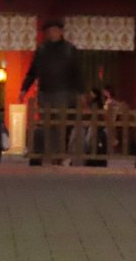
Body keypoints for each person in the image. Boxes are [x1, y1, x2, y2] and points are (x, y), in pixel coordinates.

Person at [21, 19, 81, 163]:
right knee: (47, 123)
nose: (51, 33)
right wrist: (24, 89)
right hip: (45, 92)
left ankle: (58, 154)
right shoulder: (41, 50)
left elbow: (77, 72)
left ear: (61, 32)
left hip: (63, 92)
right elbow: (32, 71)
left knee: (60, 124)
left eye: (54, 30)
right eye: (49, 31)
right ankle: (50, 153)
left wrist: (80, 91)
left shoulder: (69, 49)